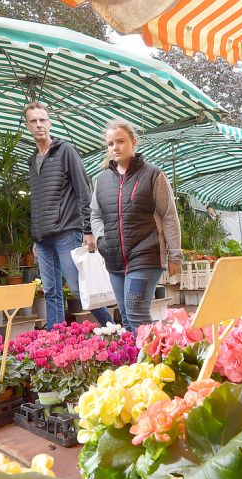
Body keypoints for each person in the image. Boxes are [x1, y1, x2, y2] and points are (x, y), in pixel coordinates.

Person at [24, 101, 113, 329]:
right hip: (43, 239)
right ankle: (57, 334)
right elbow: (37, 200)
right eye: (33, 121)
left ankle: (113, 326)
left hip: (66, 231)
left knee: (78, 286)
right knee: (51, 290)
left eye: (42, 120)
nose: (39, 125)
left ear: (49, 123)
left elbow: (83, 189)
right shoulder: (32, 160)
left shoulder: (66, 151)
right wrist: (35, 236)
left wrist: (88, 229)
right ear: (27, 126)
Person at [91, 120, 182, 331]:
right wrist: (101, 240)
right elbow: (95, 215)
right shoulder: (102, 180)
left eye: (120, 141)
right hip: (114, 259)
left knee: (136, 312)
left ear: (133, 142)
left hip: (145, 256)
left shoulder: (153, 175)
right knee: (125, 315)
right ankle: (137, 362)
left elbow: (169, 215)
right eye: (110, 144)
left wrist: (175, 254)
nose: (115, 147)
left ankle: (154, 361)